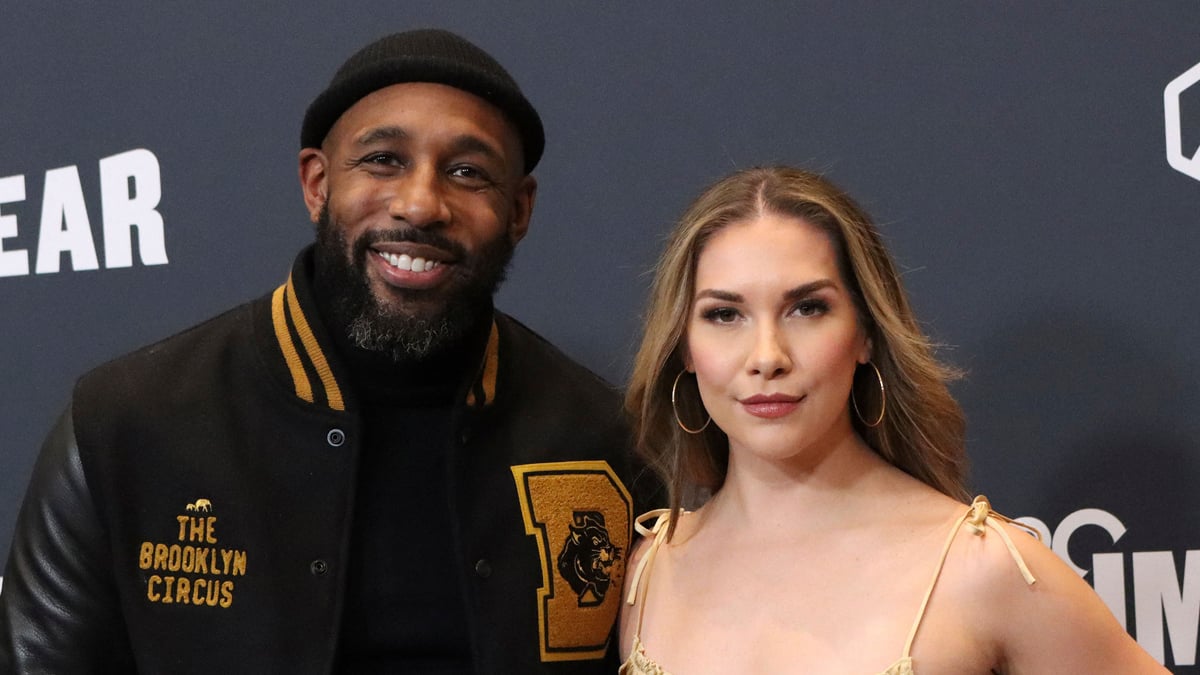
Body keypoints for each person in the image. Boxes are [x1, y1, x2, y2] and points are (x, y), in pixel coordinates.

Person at [0, 29, 652, 674]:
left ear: (519, 210)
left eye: (467, 172)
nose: (421, 204)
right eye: (383, 160)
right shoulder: (124, 423)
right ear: (317, 183)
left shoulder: (604, 440)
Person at [618, 166, 1165, 674]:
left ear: (866, 333)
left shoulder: (983, 567)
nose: (767, 355)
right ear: (684, 348)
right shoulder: (650, 571)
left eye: (807, 308)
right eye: (724, 315)